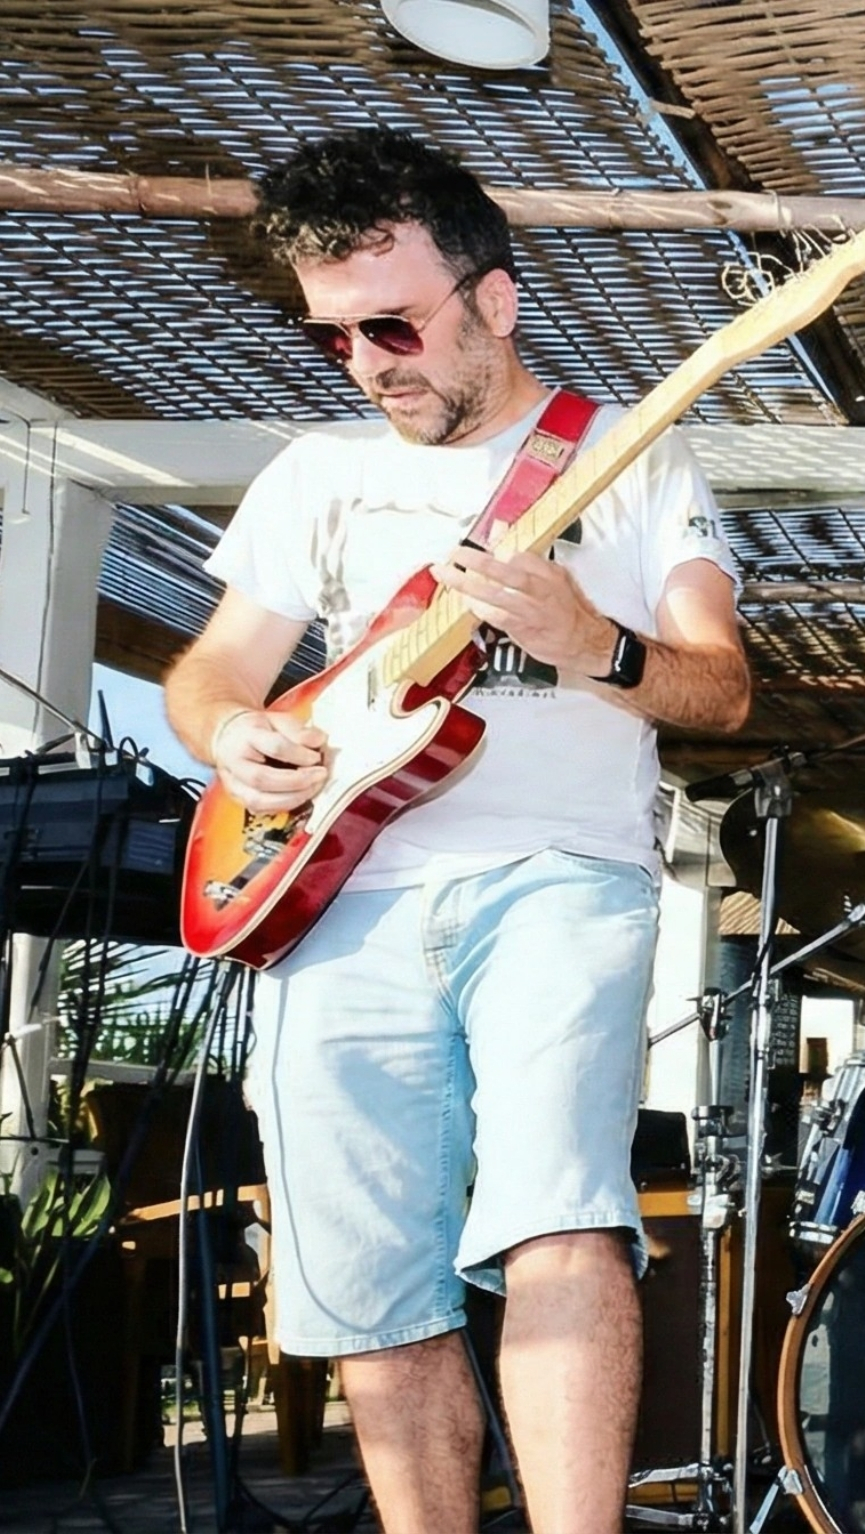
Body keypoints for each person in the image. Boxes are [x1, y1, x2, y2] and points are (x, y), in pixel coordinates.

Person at [162, 130, 750, 1534]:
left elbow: (722, 687)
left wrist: (593, 644)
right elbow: (214, 672)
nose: (369, 364)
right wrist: (232, 736)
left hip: (558, 873)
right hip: (335, 893)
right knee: (370, 1282)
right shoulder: (317, 474)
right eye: (336, 338)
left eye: (394, 325)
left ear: (494, 297)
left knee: (558, 1213)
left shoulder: (630, 457)